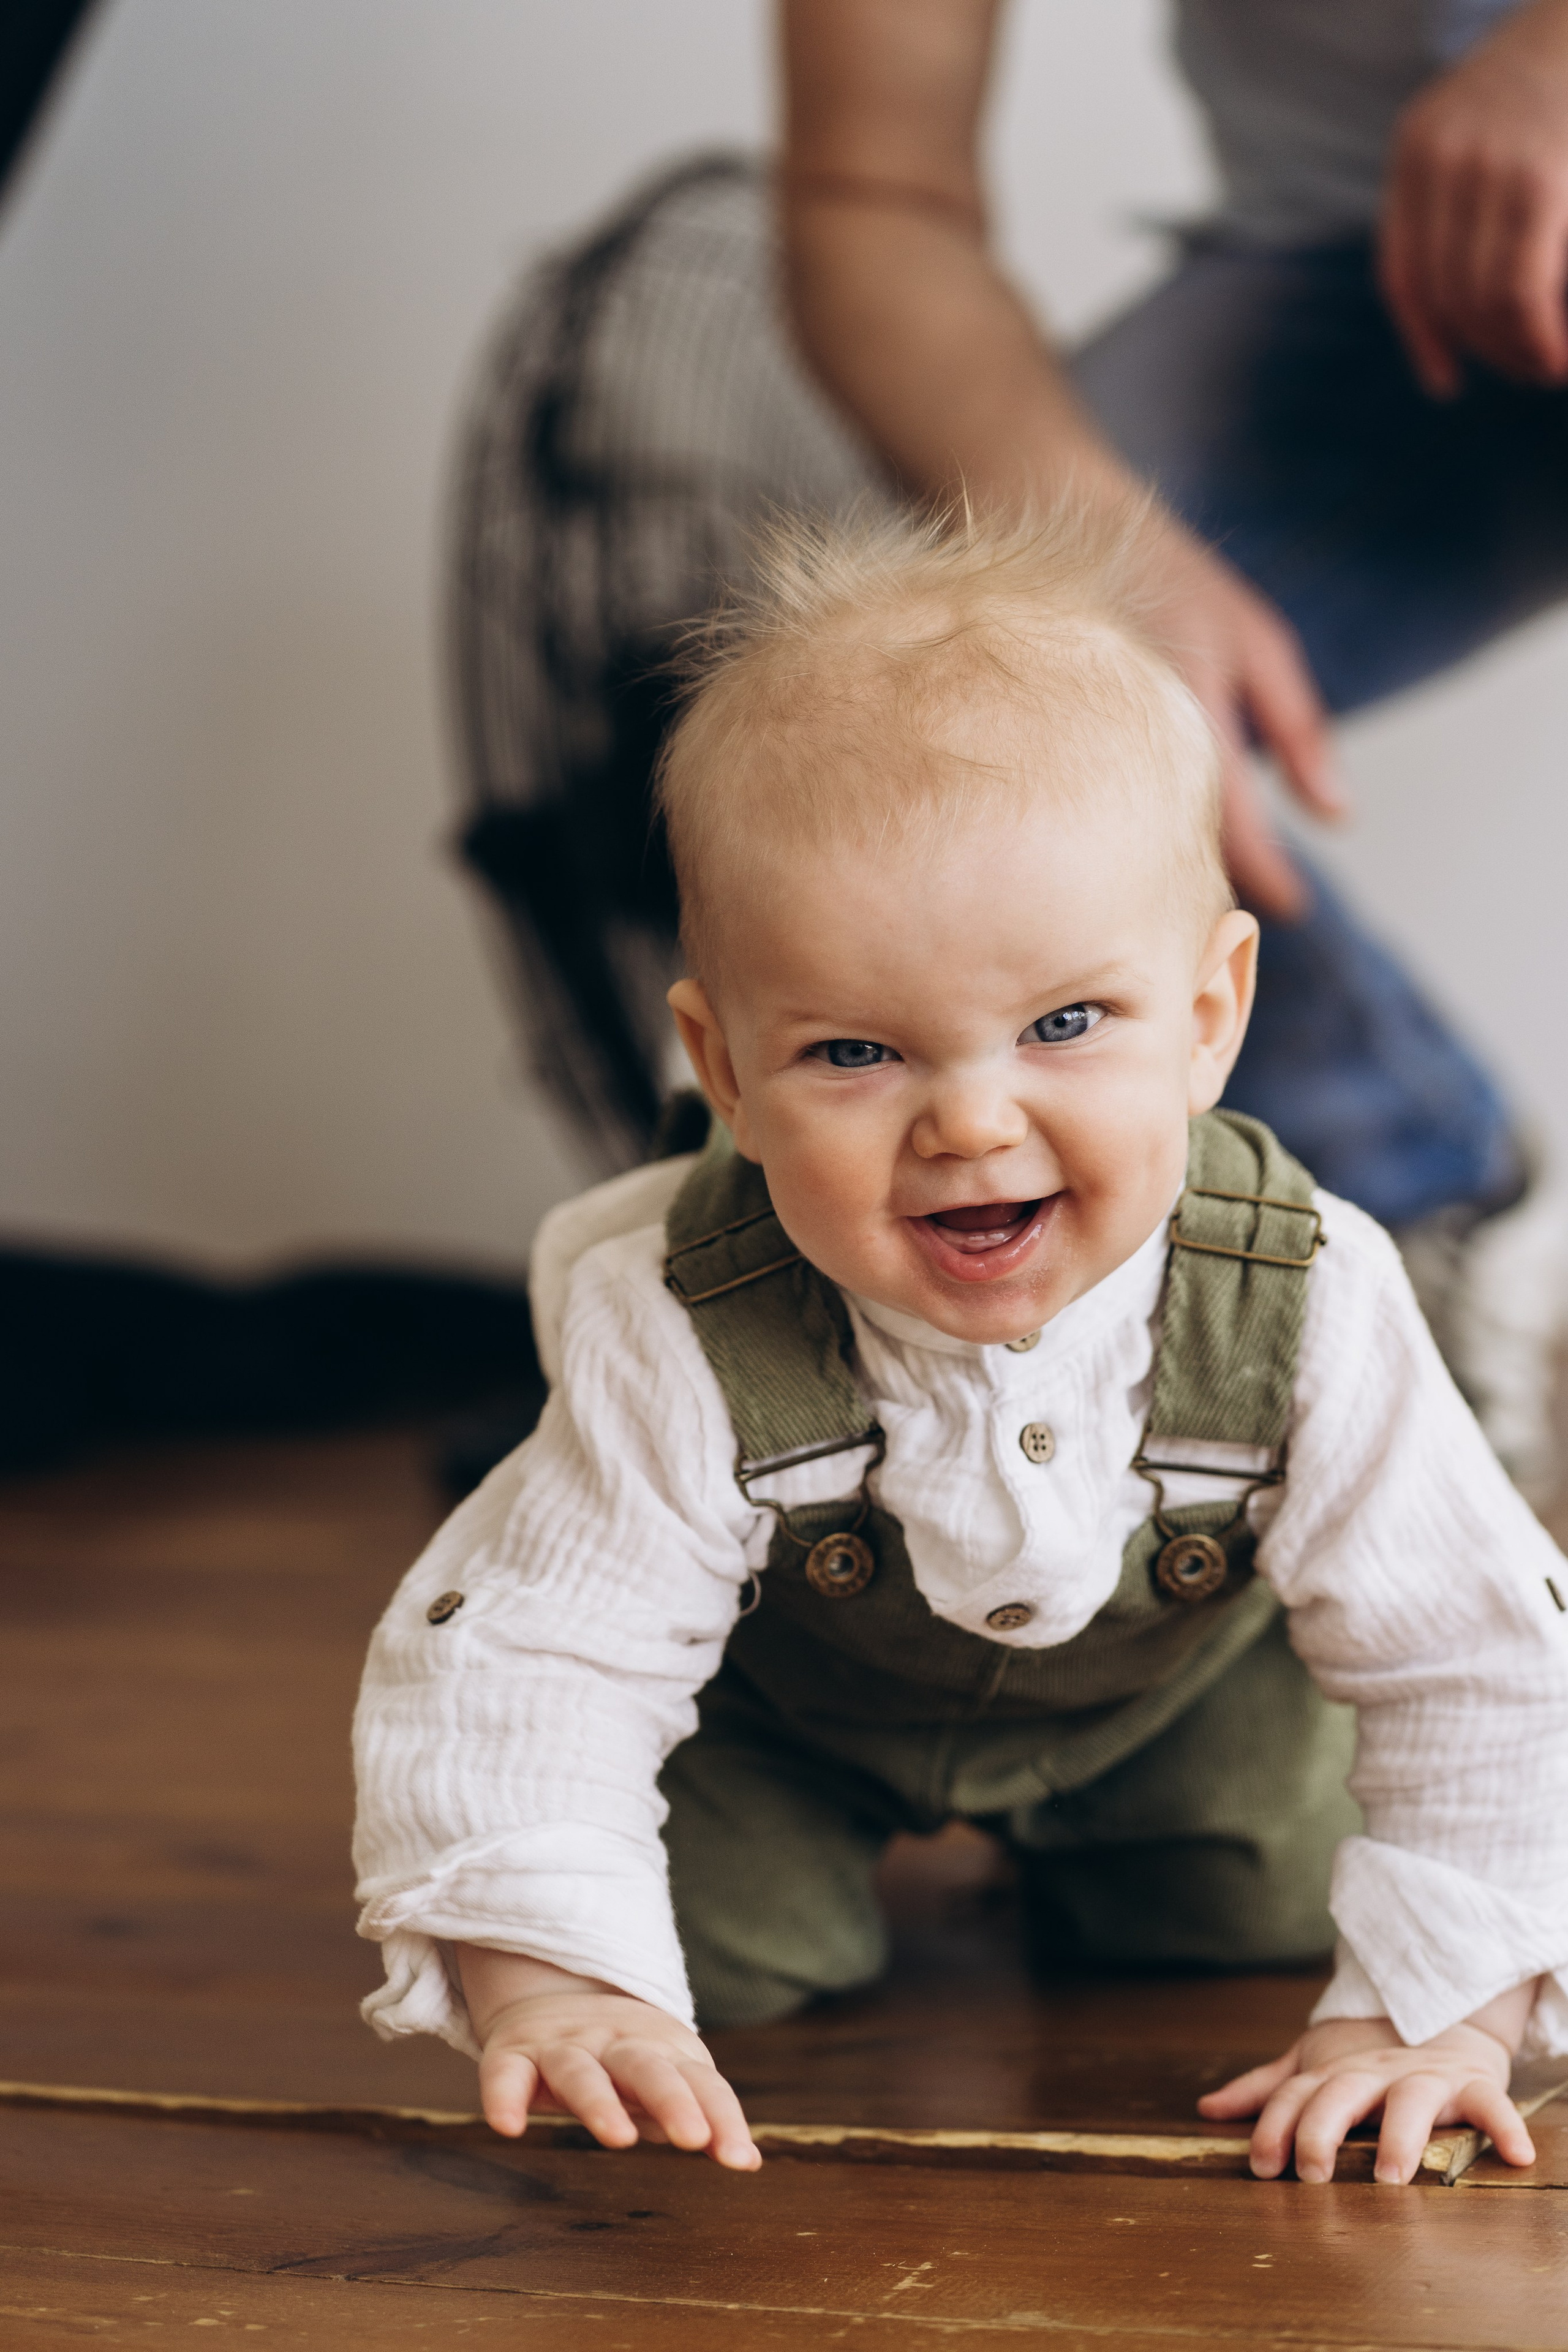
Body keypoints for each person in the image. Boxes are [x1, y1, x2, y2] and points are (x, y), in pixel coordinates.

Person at [357, 508, 1568, 2188]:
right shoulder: (678, 1314)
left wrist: (1438, 2016)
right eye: (854, 1050)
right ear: (721, 1064)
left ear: (1210, 1018)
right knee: (697, 1962)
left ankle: (1135, 1847)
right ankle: (664, 1925)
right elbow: (543, 1652)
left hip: (1172, 1708)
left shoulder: (1308, 1292)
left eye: (1067, 1024)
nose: (974, 1120)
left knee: (1253, 1903)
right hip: (782, 1715)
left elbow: (1473, 1648)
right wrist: (556, 1973)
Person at [450, 0, 1568, 1499]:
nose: (970, 1130)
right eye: (854, 1053)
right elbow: (874, 198)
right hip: (1347, 277)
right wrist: (1108, 565)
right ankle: (1420, 1204)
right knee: (932, 682)